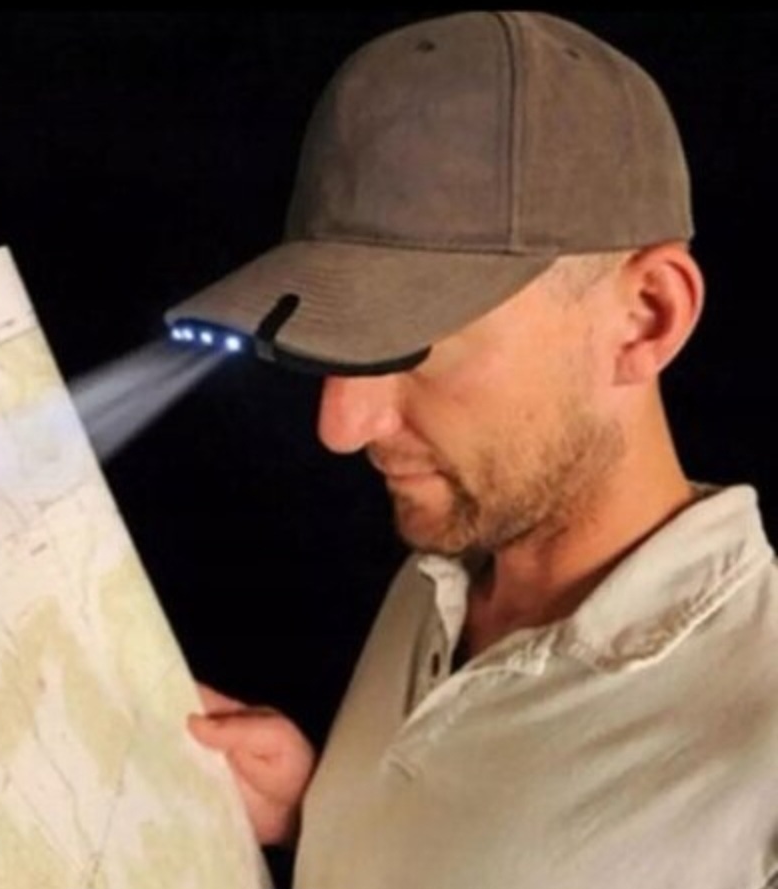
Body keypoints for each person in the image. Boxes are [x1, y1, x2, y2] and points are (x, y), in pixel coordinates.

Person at [171, 11, 778, 889]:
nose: (341, 426)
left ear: (647, 316)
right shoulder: (437, 577)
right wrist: (324, 822)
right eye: (341, 347)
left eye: (414, 350)